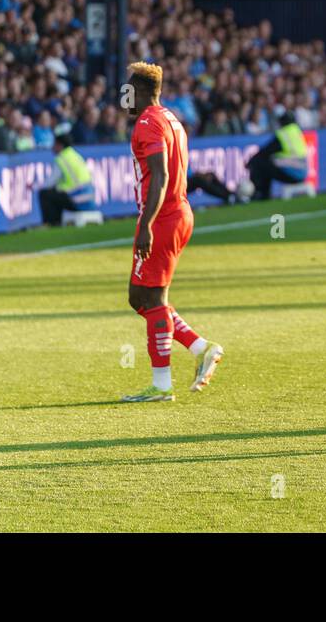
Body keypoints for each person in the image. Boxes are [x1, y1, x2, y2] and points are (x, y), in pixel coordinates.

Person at [120, 62, 223, 403]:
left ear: (145, 92)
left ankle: (162, 384)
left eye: (129, 92)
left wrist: (147, 224)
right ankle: (199, 347)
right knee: (144, 298)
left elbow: (160, 176)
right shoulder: (171, 119)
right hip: (178, 213)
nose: (125, 97)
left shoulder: (147, 123)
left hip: (163, 218)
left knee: (149, 298)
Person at [243, 112, 308, 199]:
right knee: (268, 164)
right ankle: (263, 194)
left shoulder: (284, 134)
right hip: (303, 172)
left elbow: (265, 151)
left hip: (292, 173)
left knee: (260, 164)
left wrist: (250, 162)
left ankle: (261, 194)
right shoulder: (296, 131)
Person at [38, 129, 96, 226]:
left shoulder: (61, 159)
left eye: (54, 144)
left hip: (76, 198)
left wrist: (36, 186)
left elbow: (49, 183)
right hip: (89, 197)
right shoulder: (75, 155)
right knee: (57, 193)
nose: (52, 147)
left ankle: (52, 223)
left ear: (60, 145)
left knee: (44, 193)